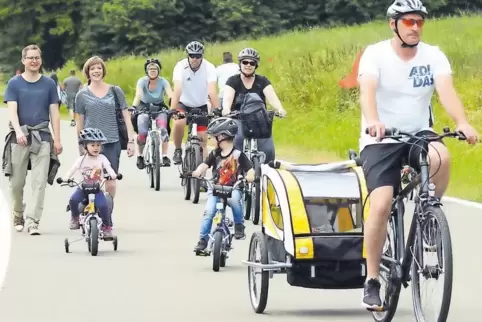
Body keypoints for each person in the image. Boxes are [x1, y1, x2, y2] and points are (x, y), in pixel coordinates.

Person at [357, 0, 479, 309]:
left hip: (418, 133)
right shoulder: (376, 54)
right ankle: (372, 279)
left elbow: (446, 91)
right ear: (394, 24)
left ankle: (428, 215)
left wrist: (462, 122)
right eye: (409, 22)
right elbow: (367, 91)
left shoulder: (433, 55)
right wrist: (373, 121)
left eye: (419, 22)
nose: (414, 28)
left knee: (441, 157)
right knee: (382, 203)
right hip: (381, 138)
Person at [2, 44, 63, 235]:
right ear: (23, 60)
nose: (34, 61)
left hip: (43, 137)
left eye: (37, 57)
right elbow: (12, 109)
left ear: (41, 60)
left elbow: (55, 113)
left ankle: (33, 221)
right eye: (30, 58)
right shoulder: (14, 83)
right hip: (19, 138)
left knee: (39, 182)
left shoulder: (49, 84)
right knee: (17, 183)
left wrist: (58, 139)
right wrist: (19, 132)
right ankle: (18, 212)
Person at [75, 56, 135, 198]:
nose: (96, 71)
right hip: (90, 144)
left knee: (111, 182)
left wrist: (131, 141)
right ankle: (90, 214)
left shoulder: (115, 91)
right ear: (87, 72)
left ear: (103, 70)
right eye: (93, 68)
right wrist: (80, 146)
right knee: (91, 182)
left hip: (112, 141)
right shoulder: (81, 95)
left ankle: (107, 211)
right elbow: (80, 122)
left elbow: (126, 117)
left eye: (99, 68)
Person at [192, 117, 255, 251]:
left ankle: (239, 225)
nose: (212, 139)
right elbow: (205, 164)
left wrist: (250, 176)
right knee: (209, 212)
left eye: (214, 137)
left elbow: (250, 169)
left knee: (235, 201)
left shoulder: (238, 155)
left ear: (221, 137)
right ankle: (203, 239)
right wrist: (198, 171)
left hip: (233, 188)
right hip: (216, 188)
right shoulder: (215, 154)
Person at [221, 48, 287, 164]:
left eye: (252, 63)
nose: (248, 65)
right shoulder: (233, 81)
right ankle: (235, 170)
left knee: (268, 150)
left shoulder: (262, 81)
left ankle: (266, 174)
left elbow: (272, 97)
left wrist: (280, 109)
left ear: (256, 65)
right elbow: (227, 98)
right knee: (238, 141)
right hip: (238, 119)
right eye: (245, 62)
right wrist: (226, 109)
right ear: (240, 64)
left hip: (259, 120)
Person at [170, 40, 221, 164]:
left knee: (203, 139)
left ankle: (203, 173)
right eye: (192, 56)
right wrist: (173, 110)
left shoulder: (209, 67)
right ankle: (177, 149)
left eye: (198, 56)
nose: (195, 59)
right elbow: (177, 89)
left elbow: (212, 91)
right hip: (184, 103)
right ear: (188, 55)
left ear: (202, 56)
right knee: (179, 122)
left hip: (201, 105)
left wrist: (218, 111)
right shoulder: (180, 66)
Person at [61, 128, 117, 238]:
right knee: (73, 200)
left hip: (97, 189)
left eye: (98, 145)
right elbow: (72, 170)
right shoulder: (81, 160)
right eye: (92, 145)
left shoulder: (102, 158)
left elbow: (109, 169)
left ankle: (106, 227)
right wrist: (66, 178)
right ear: (85, 146)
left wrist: (113, 175)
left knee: (104, 205)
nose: (96, 148)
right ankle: (75, 217)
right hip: (83, 188)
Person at [132, 58, 173, 168]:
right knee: (142, 132)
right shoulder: (142, 81)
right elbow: (138, 94)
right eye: (150, 68)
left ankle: (164, 156)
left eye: (155, 68)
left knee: (163, 129)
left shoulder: (163, 81)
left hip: (159, 107)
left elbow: (170, 94)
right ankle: (140, 156)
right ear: (146, 71)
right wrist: (134, 107)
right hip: (144, 107)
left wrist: (173, 106)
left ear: (159, 70)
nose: (153, 70)